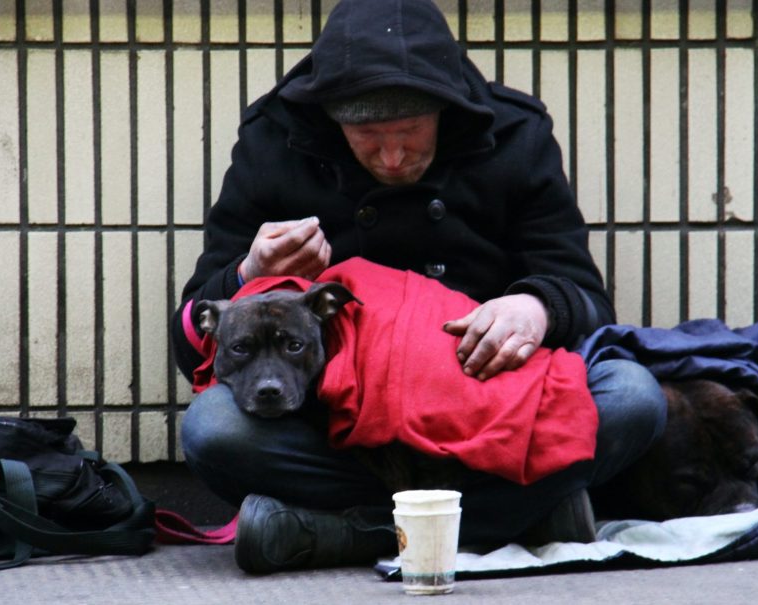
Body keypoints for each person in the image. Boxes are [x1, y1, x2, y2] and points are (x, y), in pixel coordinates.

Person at [170, 0, 667, 573]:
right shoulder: (274, 139)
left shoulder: (514, 133)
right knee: (213, 430)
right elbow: (195, 342)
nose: (392, 155)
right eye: (366, 134)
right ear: (332, 119)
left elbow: (584, 297)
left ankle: (342, 534)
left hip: (483, 405)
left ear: (444, 110)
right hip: (340, 426)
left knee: (632, 395)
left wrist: (534, 306)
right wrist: (249, 273)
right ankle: (513, 516)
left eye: (410, 131)